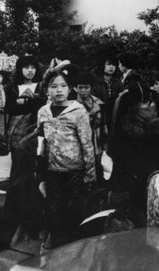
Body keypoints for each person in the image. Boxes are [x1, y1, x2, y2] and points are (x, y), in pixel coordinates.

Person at [37, 70, 96, 250]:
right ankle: (55, 240)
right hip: (52, 169)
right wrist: (39, 169)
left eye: (63, 86)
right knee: (54, 206)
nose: (59, 90)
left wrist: (90, 172)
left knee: (75, 207)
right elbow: (41, 141)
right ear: (47, 89)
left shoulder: (78, 112)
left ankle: (76, 245)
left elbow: (87, 143)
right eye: (54, 86)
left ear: (70, 89)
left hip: (75, 169)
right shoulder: (43, 112)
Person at [107, 74, 159, 226]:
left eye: (150, 103)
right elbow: (118, 152)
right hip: (134, 183)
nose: (147, 107)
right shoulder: (125, 122)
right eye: (142, 103)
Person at [5, 55, 45, 153]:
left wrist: (23, 101)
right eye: (26, 68)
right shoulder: (12, 88)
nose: (30, 71)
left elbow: (43, 103)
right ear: (19, 69)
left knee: (37, 157)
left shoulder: (41, 86)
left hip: (37, 126)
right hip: (16, 129)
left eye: (33, 67)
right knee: (17, 158)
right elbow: (10, 108)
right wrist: (32, 102)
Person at [75, 71, 108, 182]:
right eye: (80, 87)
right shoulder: (72, 105)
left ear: (91, 88)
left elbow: (103, 126)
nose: (83, 91)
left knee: (98, 174)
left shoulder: (99, 104)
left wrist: (105, 147)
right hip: (79, 146)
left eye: (86, 87)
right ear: (76, 88)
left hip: (96, 145)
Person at [92, 56, 120, 130]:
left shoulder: (117, 82)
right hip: (100, 115)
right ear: (103, 65)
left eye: (113, 65)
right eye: (108, 64)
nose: (111, 67)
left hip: (113, 115)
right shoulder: (95, 81)